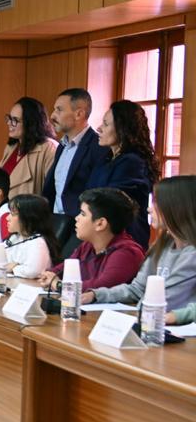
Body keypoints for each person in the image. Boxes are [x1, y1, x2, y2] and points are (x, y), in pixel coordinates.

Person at [81, 176, 196, 311]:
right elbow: (138, 289)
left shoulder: (192, 254)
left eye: (156, 203)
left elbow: (159, 301)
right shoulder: (162, 245)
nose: (149, 209)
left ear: (176, 207)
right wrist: (96, 295)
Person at [42, 88, 110, 254]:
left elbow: (95, 191)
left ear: (79, 114)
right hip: (55, 223)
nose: (52, 116)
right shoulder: (61, 146)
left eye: (59, 110)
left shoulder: (98, 147)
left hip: (79, 227)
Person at [39, 188, 144, 293]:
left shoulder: (126, 253)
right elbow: (58, 271)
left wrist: (59, 285)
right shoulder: (88, 245)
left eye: (83, 214)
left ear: (100, 224)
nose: (76, 218)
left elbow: (100, 286)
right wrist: (48, 277)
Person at [87, 100, 159, 249]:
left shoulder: (133, 161)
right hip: (101, 233)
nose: (99, 128)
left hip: (124, 239)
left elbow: (111, 201)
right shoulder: (106, 158)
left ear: (122, 129)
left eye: (106, 124)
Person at [0, 194, 58, 278]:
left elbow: (33, 271)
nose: (7, 218)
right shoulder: (15, 238)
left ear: (29, 217)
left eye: (13, 214)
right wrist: (6, 267)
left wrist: (14, 267)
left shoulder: (38, 242)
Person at [0, 97, 57, 198]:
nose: (9, 123)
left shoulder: (49, 148)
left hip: (27, 212)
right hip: (3, 211)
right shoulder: (12, 146)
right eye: (9, 118)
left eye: (15, 120)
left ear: (31, 123)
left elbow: (52, 192)